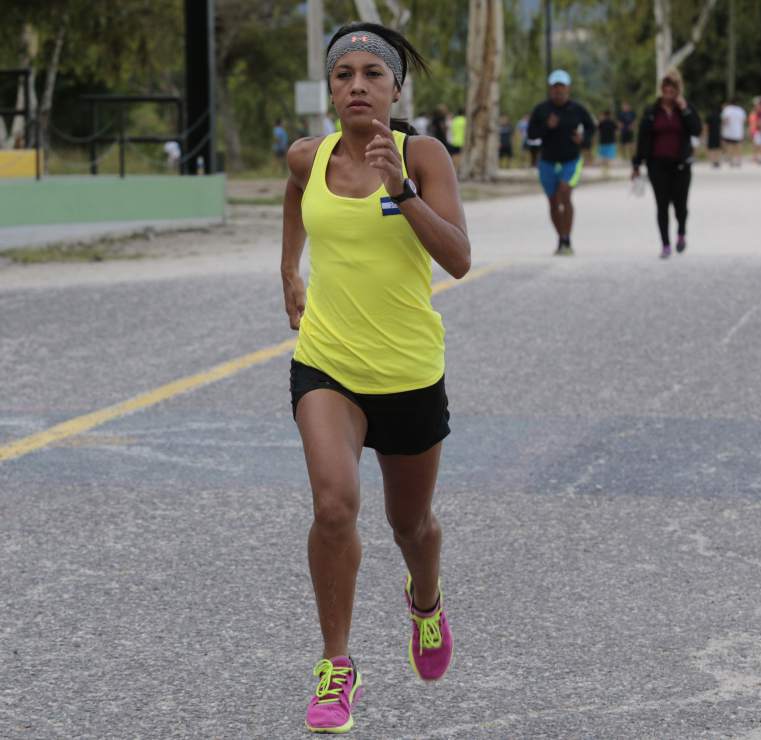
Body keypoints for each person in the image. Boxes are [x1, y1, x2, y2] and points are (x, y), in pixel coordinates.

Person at [280, 21, 470, 735]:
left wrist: (405, 192)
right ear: (330, 89)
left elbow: (458, 258)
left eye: (372, 74)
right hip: (328, 363)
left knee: (410, 525)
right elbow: (295, 197)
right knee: (334, 507)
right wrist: (287, 270)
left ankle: (425, 600)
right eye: (343, 75)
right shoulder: (309, 155)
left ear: (395, 87)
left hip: (409, 372)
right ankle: (336, 667)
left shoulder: (422, 155)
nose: (356, 85)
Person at [632, 68, 702, 259]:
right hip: (657, 165)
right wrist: (636, 164)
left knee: (681, 205)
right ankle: (665, 244)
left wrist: (685, 109)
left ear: (678, 90)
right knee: (662, 205)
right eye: (666, 88)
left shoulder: (685, 109)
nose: (668, 92)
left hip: (681, 165)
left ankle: (681, 232)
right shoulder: (651, 112)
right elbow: (642, 138)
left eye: (673, 88)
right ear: (661, 89)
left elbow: (696, 130)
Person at [527, 69, 595, 256]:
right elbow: (531, 135)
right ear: (550, 89)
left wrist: (584, 138)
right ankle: (561, 238)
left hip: (571, 160)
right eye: (555, 87)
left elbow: (591, 127)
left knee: (565, 192)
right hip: (547, 162)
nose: (558, 91)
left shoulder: (577, 109)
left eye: (562, 87)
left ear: (568, 88)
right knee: (552, 201)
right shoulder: (542, 110)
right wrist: (546, 127)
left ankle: (567, 237)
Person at [720, 98, 745, 167]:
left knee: (729, 146)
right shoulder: (740, 110)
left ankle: (731, 161)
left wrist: (723, 128)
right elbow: (742, 120)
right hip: (738, 131)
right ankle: (739, 160)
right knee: (738, 146)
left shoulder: (727, 109)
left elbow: (725, 120)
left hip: (729, 132)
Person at [597, 109, 618, 177]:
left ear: (604, 115)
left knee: (603, 156)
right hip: (611, 141)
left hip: (603, 141)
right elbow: (616, 131)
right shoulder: (613, 122)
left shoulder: (601, 122)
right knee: (609, 157)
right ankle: (607, 169)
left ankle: (604, 170)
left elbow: (598, 131)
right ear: (610, 115)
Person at [705, 102, 723, 168]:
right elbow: (721, 126)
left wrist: (706, 134)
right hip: (717, 133)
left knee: (711, 148)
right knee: (718, 148)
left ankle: (712, 161)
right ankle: (717, 161)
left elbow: (706, 126)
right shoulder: (719, 116)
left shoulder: (709, 116)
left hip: (711, 134)